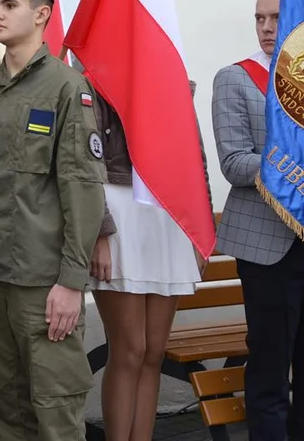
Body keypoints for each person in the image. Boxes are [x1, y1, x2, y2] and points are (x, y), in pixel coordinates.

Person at [0, 0, 106, 441]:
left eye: (10, 5)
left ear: (42, 14)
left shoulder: (67, 87)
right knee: (6, 411)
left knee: (55, 411)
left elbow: (81, 188)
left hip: (43, 283)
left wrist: (70, 281)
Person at [88, 82, 212, 440]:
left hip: (167, 212)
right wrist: (98, 230)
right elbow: (83, 165)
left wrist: (201, 231)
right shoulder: (92, 78)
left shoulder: (170, 72)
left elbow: (195, 159)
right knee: (129, 349)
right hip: (118, 212)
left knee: (154, 352)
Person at [212, 0, 304, 440]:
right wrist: (291, 167)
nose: (267, 28)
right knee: (270, 366)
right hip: (267, 245)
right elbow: (233, 161)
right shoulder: (236, 77)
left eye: (275, 18)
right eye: (259, 18)